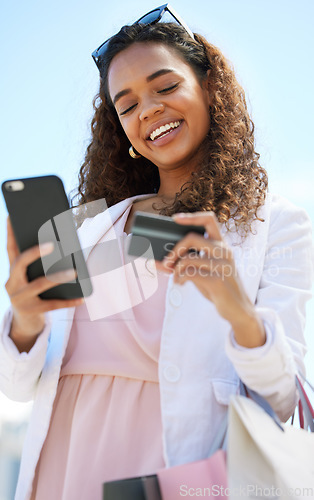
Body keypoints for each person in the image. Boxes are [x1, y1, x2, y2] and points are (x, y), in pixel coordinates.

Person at [1, 5, 313, 500]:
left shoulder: (276, 226)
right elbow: (16, 385)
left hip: (173, 473)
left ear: (210, 88)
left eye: (165, 87)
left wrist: (237, 311)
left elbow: (281, 398)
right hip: (61, 470)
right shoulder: (85, 229)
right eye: (126, 105)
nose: (147, 110)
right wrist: (23, 320)